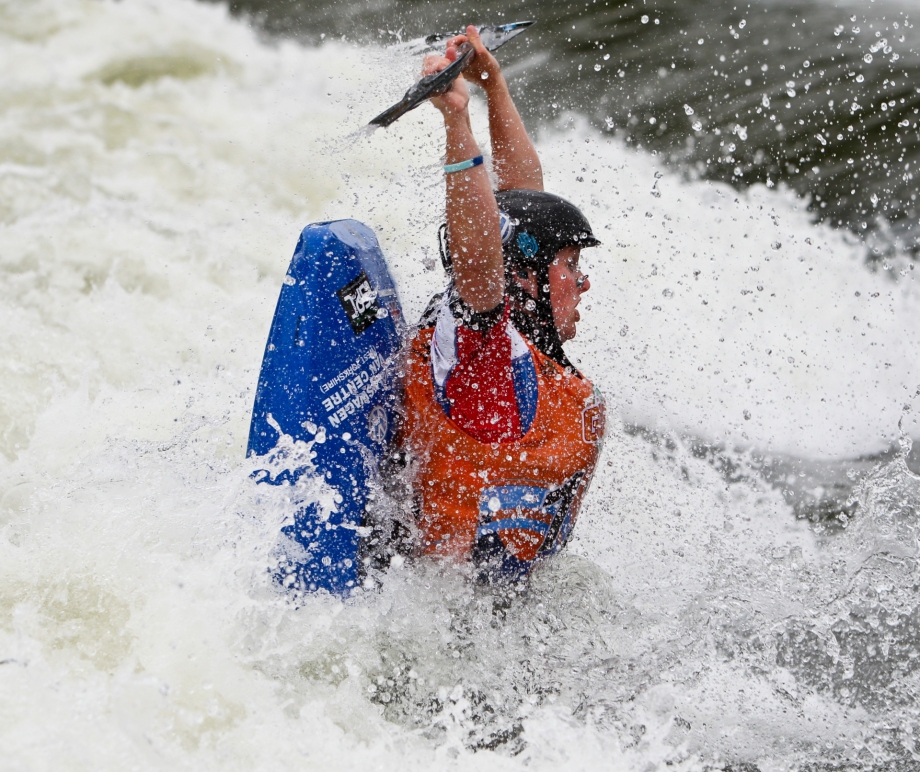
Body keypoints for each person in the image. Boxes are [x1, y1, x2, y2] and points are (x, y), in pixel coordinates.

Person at [398, 26, 606, 583]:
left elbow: (523, 208)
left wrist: (495, 85)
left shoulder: (528, 352)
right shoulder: (485, 369)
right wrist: (456, 122)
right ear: (526, 280)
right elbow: (481, 266)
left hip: (513, 619)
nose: (582, 286)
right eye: (571, 268)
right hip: (454, 633)